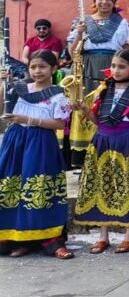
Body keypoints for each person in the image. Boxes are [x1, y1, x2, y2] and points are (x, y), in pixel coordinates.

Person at [73, 49, 129, 254]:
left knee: (127, 185)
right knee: (102, 185)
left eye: (122, 67)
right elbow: (97, 121)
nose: (116, 70)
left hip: (128, 141)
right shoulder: (104, 88)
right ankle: (103, 236)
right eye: (114, 66)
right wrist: (84, 109)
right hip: (102, 140)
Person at [0, 51, 73, 259]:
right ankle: (19, 239)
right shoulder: (18, 89)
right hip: (16, 142)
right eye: (33, 67)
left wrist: (29, 120)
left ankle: (51, 241)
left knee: (39, 188)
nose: (37, 71)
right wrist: (2, 85)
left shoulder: (58, 95)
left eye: (42, 67)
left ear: (54, 69)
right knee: (14, 188)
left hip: (41, 143)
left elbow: (60, 124)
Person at [67, 0, 129, 167]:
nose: (104, 2)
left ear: (114, 2)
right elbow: (72, 53)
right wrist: (79, 34)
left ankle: (110, 152)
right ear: (95, 0)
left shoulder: (121, 23)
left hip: (112, 69)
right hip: (87, 70)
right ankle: (84, 157)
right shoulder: (82, 22)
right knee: (86, 108)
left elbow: (127, 50)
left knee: (108, 108)